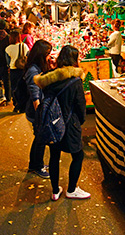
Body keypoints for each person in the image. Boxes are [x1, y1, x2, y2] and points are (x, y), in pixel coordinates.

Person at [34, 45, 89, 200]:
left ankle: (55, 191)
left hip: (52, 123)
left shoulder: (49, 78)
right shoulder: (75, 80)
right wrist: (80, 121)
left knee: (54, 155)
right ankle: (71, 190)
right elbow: (80, 105)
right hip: (70, 124)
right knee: (78, 155)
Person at [23, 40, 52, 179]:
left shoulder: (36, 67)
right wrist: (41, 114)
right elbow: (35, 96)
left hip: (37, 111)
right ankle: (37, 166)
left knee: (38, 139)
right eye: (48, 54)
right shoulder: (33, 71)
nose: (49, 57)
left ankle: (34, 165)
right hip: (36, 112)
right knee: (40, 139)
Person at [5, 30, 29, 113]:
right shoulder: (24, 46)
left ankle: (16, 104)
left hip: (13, 70)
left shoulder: (8, 48)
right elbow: (28, 56)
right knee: (23, 88)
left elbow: (7, 61)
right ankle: (23, 106)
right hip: (23, 70)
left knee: (14, 88)